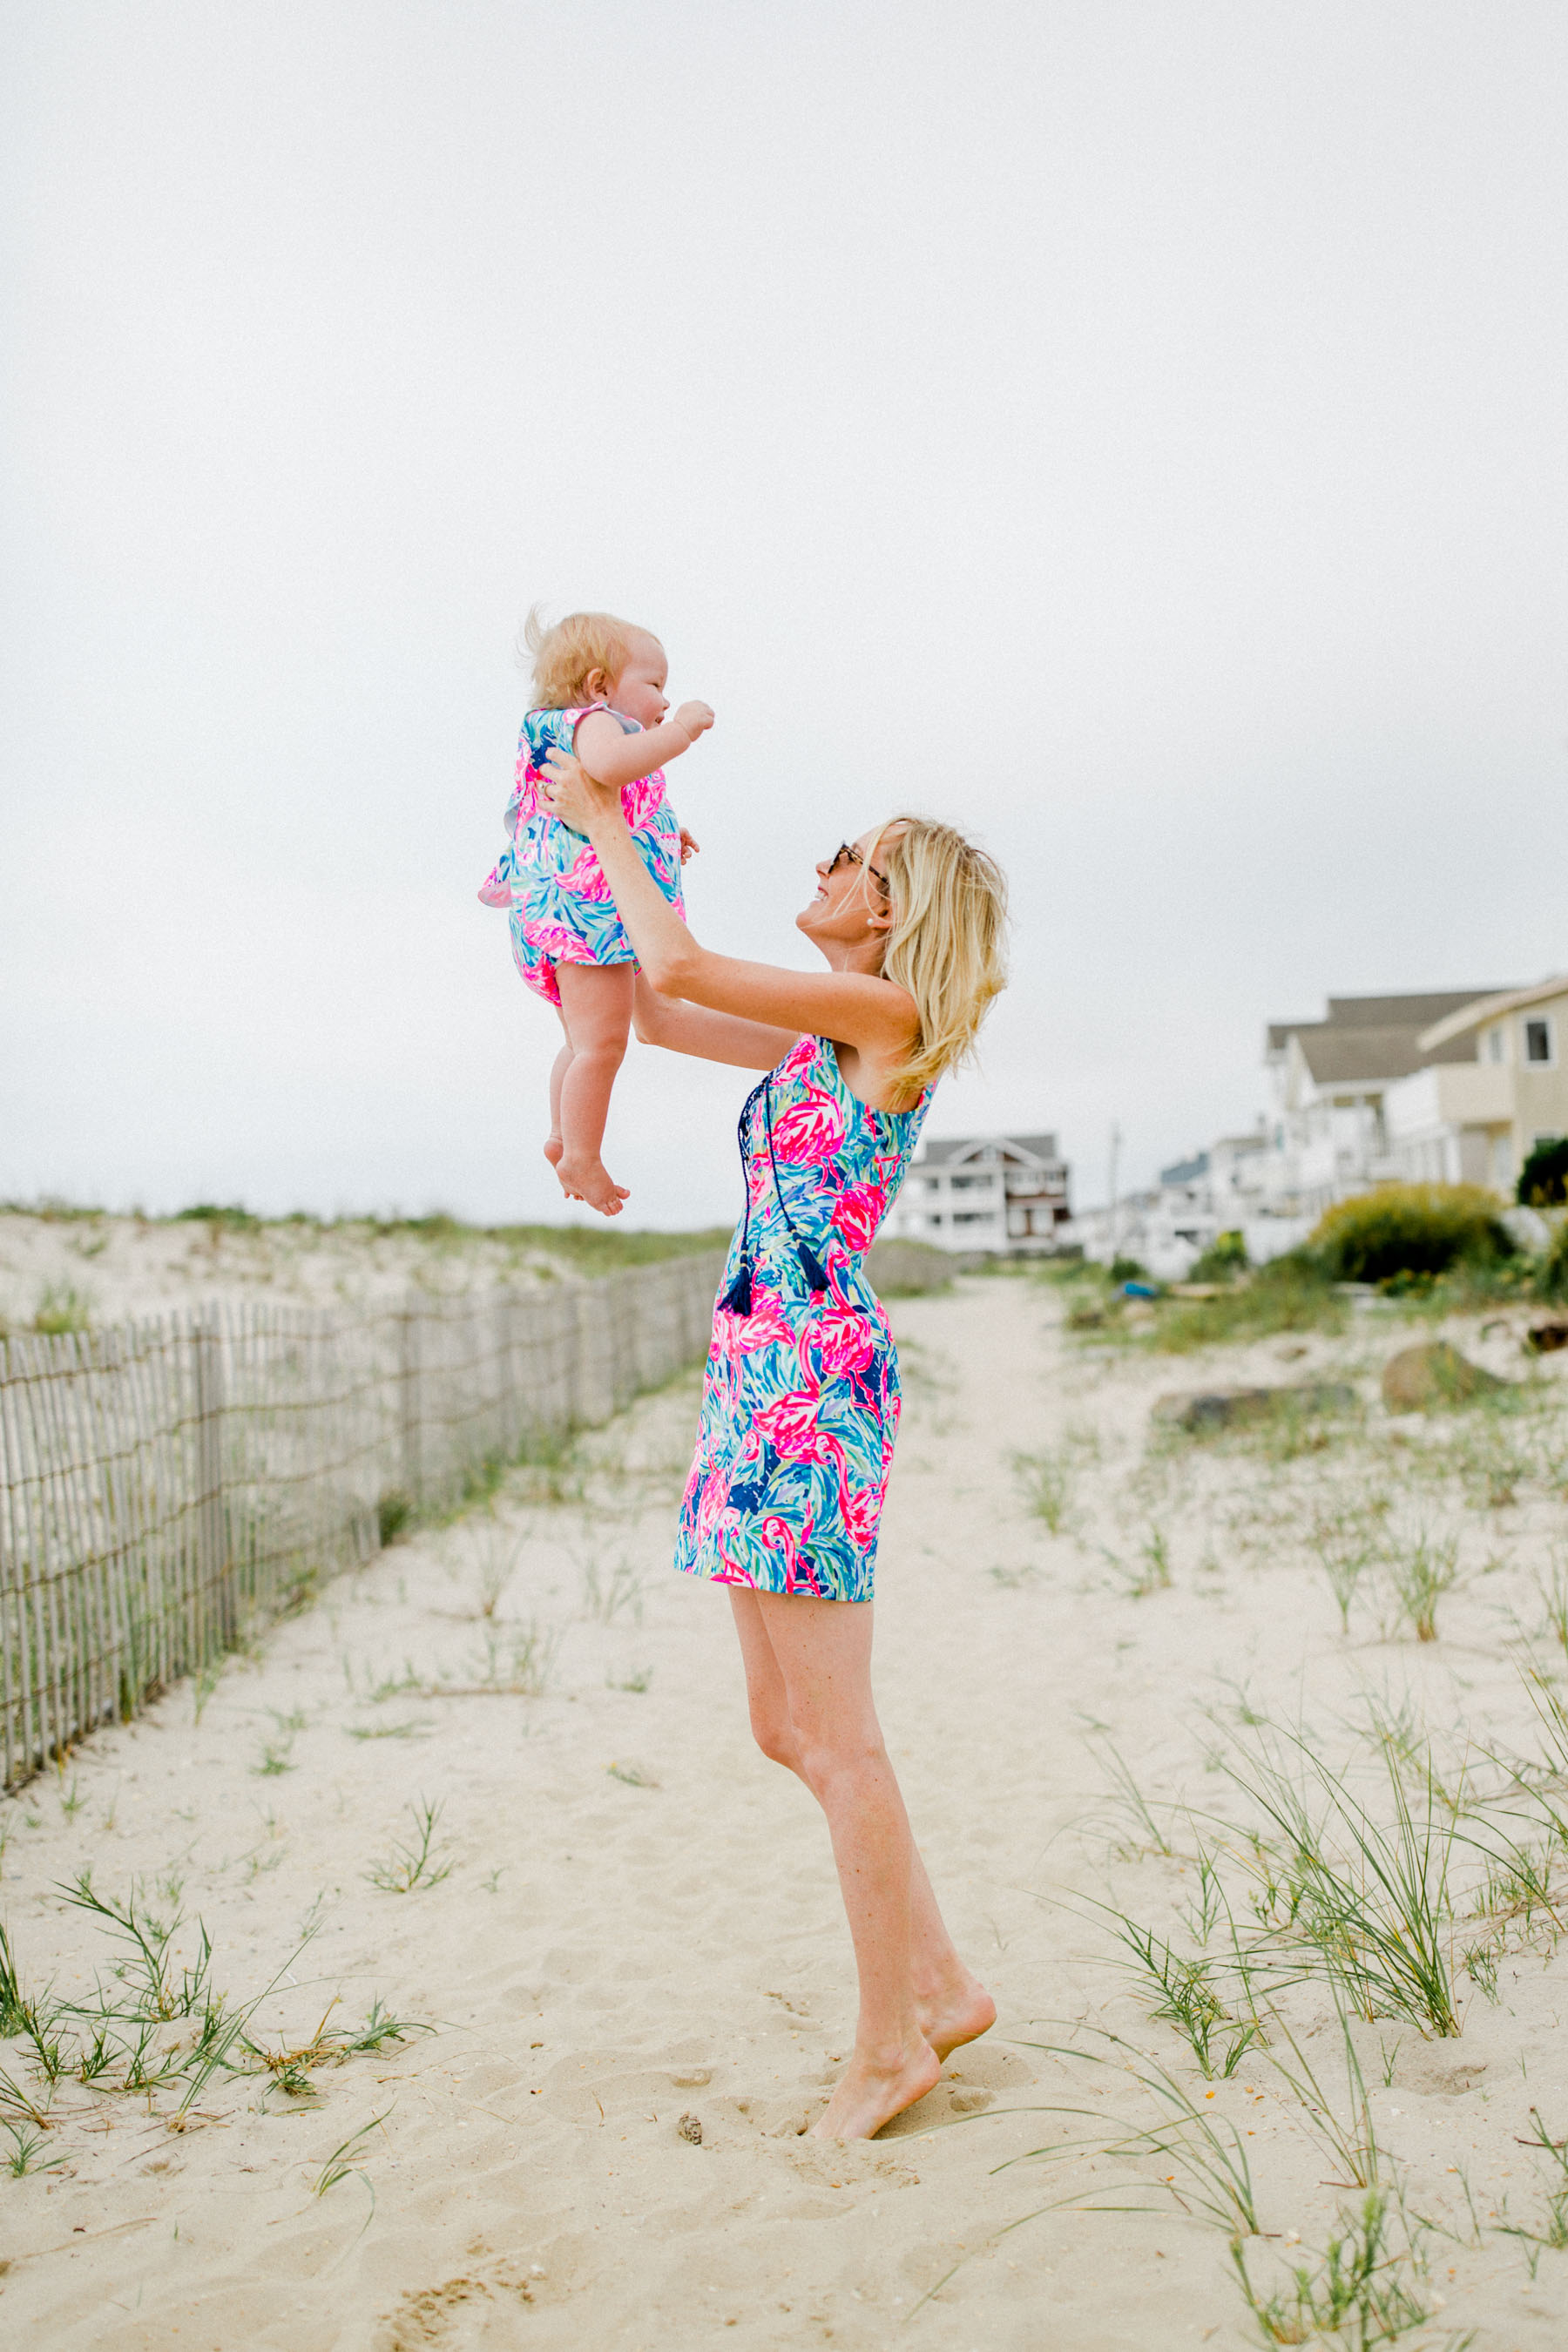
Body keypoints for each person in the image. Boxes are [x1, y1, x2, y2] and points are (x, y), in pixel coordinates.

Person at [541, 745, 1009, 2140]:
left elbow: (684, 974)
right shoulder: (823, 1032)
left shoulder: (884, 1012)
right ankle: (936, 1978)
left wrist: (599, 817)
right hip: (759, 1372)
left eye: (847, 857)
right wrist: (587, 902)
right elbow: (666, 1013)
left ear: (892, 905)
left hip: (809, 1378)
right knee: (781, 1725)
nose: (822, 867)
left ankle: (889, 2045)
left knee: (840, 1735)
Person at [478, 611, 714, 1214]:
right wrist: (684, 729)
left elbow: (613, 794)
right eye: (655, 684)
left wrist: (664, 831)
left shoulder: (582, 729)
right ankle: (583, 1154)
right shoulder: (594, 724)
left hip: (561, 916)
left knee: (583, 1043)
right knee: (603, 1047)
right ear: (600, 686)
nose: (665, 699)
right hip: (584, 919)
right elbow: (610, 769)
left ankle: (562, 1137)